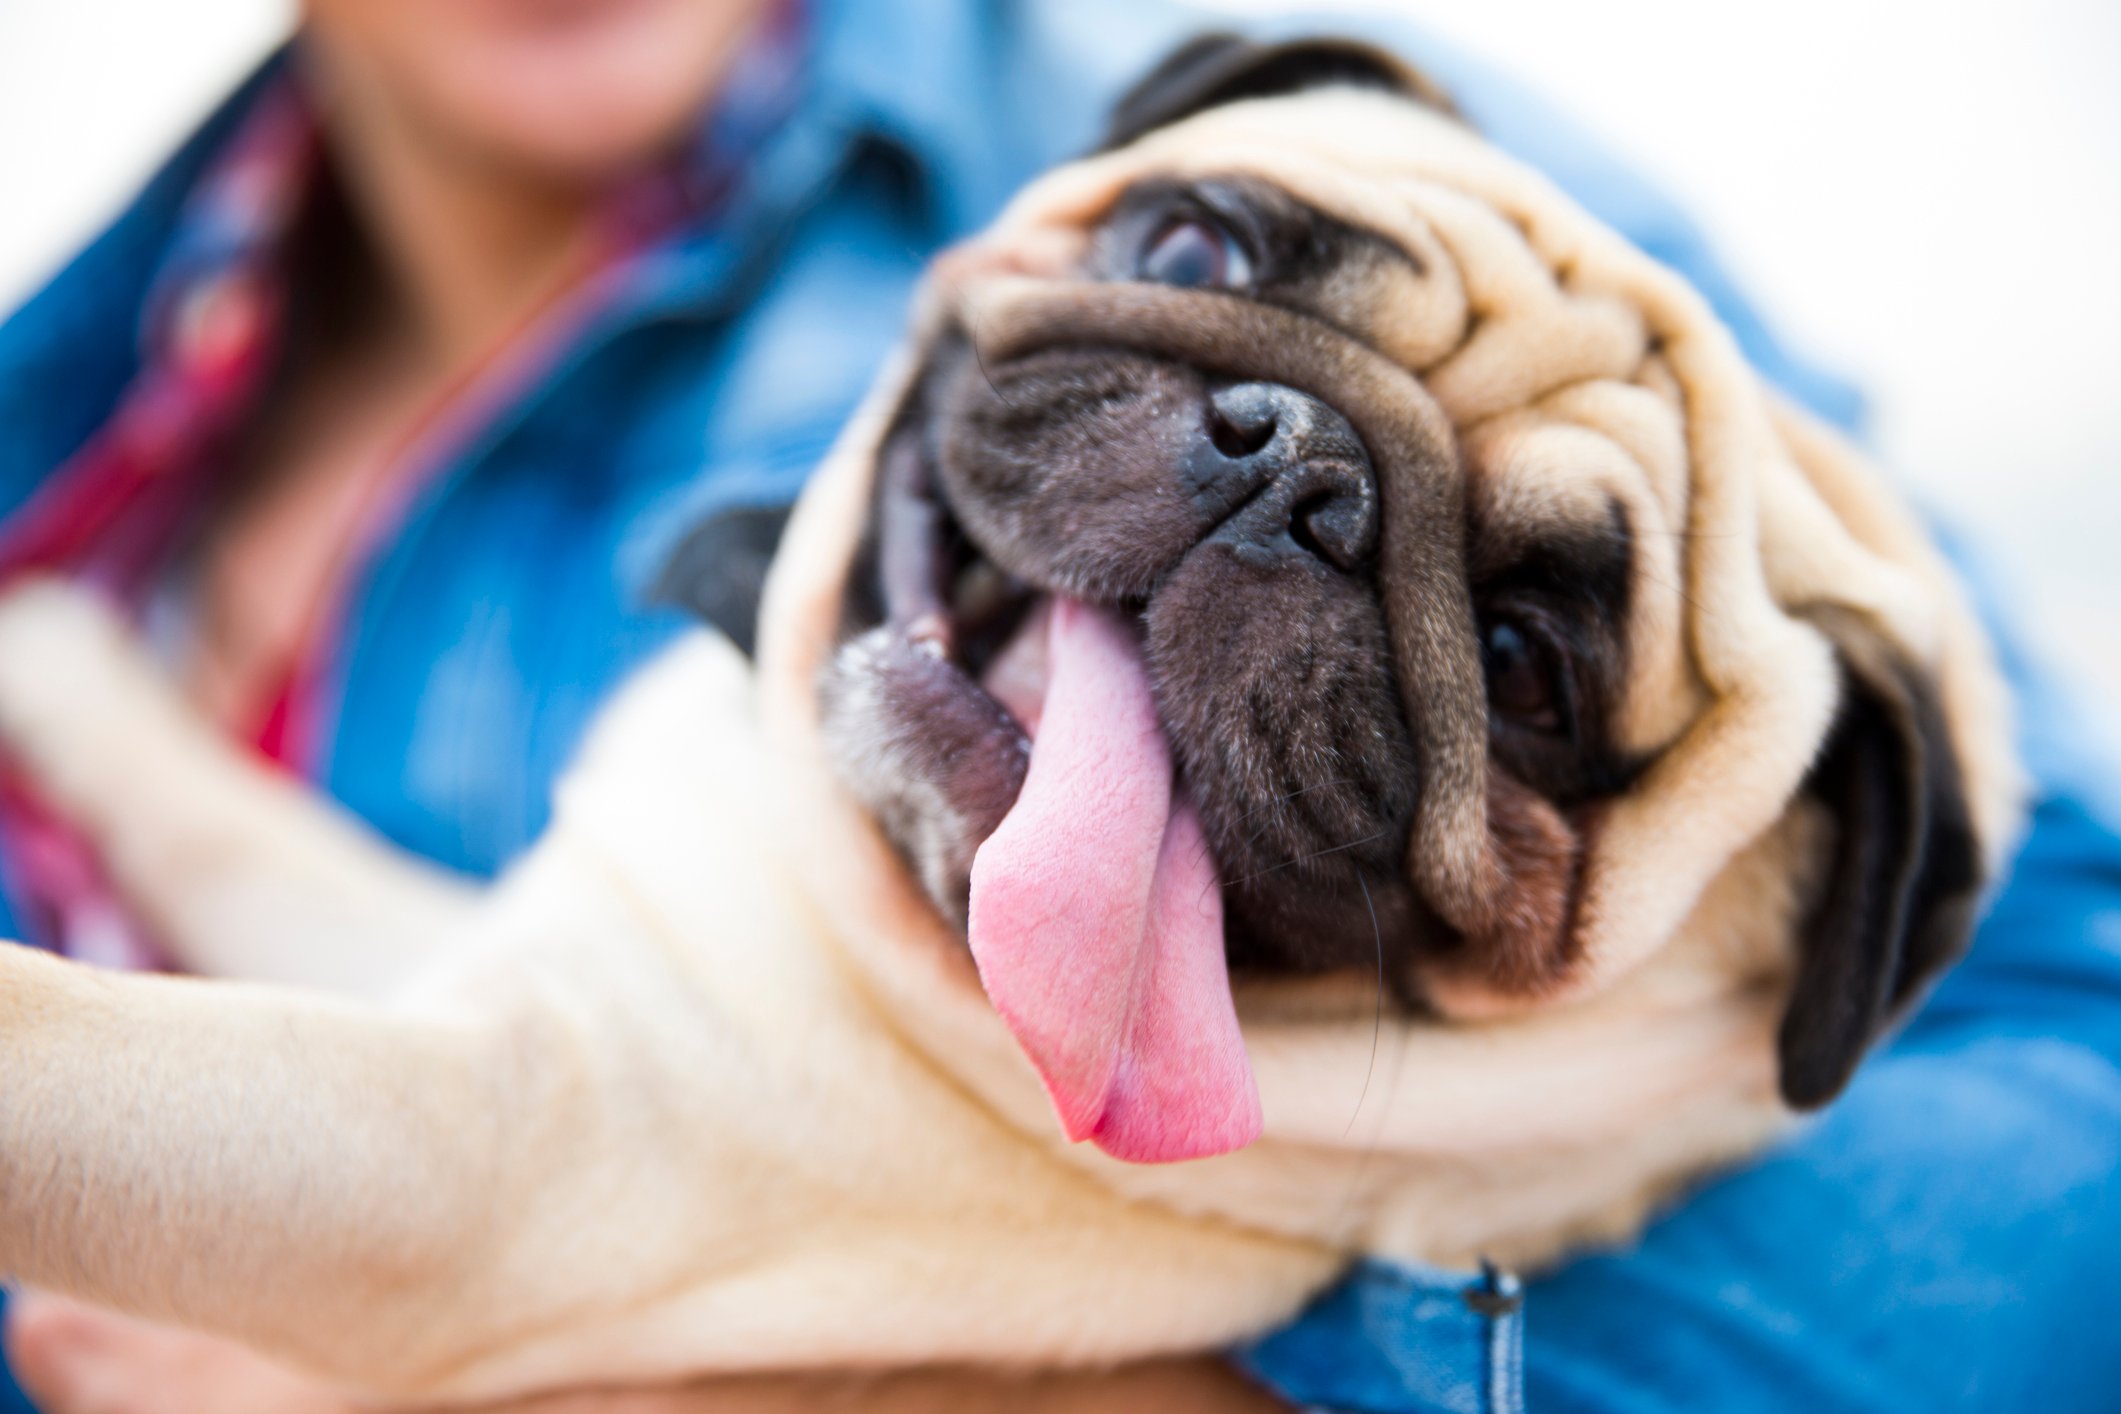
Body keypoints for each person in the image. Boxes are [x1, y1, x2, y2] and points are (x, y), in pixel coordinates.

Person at [2, 2, 2118, 1411]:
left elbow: (2077, 1120)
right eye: (1209, 270)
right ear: (1139, 166)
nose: (1269, 491)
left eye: (1514, 657)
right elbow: (503, 1027)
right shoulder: (63, 408)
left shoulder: (1385, 125)